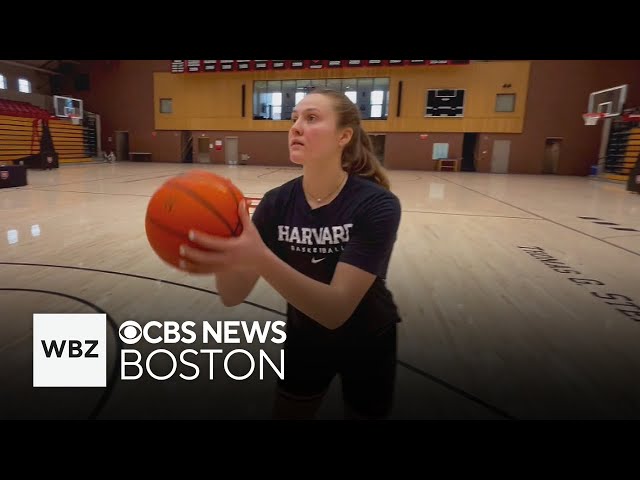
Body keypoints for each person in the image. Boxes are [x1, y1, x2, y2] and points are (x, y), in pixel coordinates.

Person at [179, 88, 402, 420]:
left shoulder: (376, 204)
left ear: (344, 136)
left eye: (311, 118)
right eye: (294, 118)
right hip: (304, 336)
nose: (296, 126)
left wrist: (258, 256)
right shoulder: (276, 203)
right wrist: (227, 249)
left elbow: (336, 310)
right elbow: (232, 294)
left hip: (368, 339)